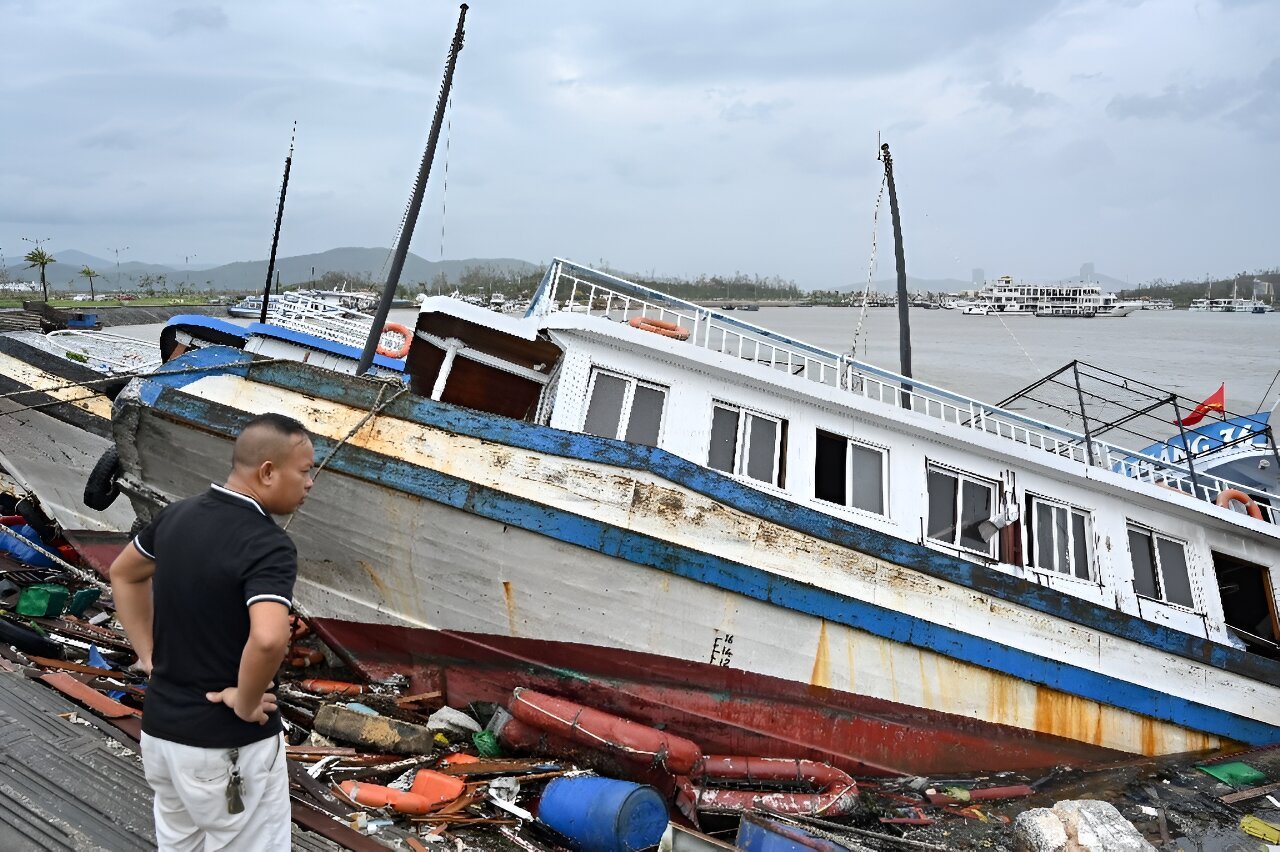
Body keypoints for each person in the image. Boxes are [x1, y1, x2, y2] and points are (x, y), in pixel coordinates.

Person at [110, 412, 315, 851]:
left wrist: (149, 657)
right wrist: (244, 702)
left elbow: (123, 574)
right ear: (267, 472)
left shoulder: (177, 516)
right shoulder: (268, 545)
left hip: (162, 734)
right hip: (227, 748)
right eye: (304, 471)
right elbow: (268, 637)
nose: (310, 483)